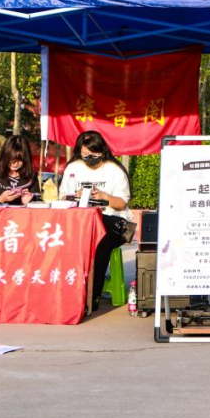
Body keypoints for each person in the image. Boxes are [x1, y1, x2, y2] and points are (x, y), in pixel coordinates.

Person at [58, 131, 132, 311]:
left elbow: (121, 204)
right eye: (85, 155)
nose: (90, 158)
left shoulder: (114, 170)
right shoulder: (73, 168)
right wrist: (75, 196)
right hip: (80, 221)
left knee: (99, 240)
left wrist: (105, 197)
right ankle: (66, 289)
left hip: (114, 222)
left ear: (103, 151)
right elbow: (62, 198)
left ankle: (92, 294)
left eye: (94, 154)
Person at [0, 135, 40, 206]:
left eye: (20, 160)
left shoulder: (31, 176)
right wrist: (0, 199)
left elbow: (38, 203)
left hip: (21, 213)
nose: (15, 163)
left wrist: (27, 202)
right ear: (5, 156)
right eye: (12, 159)